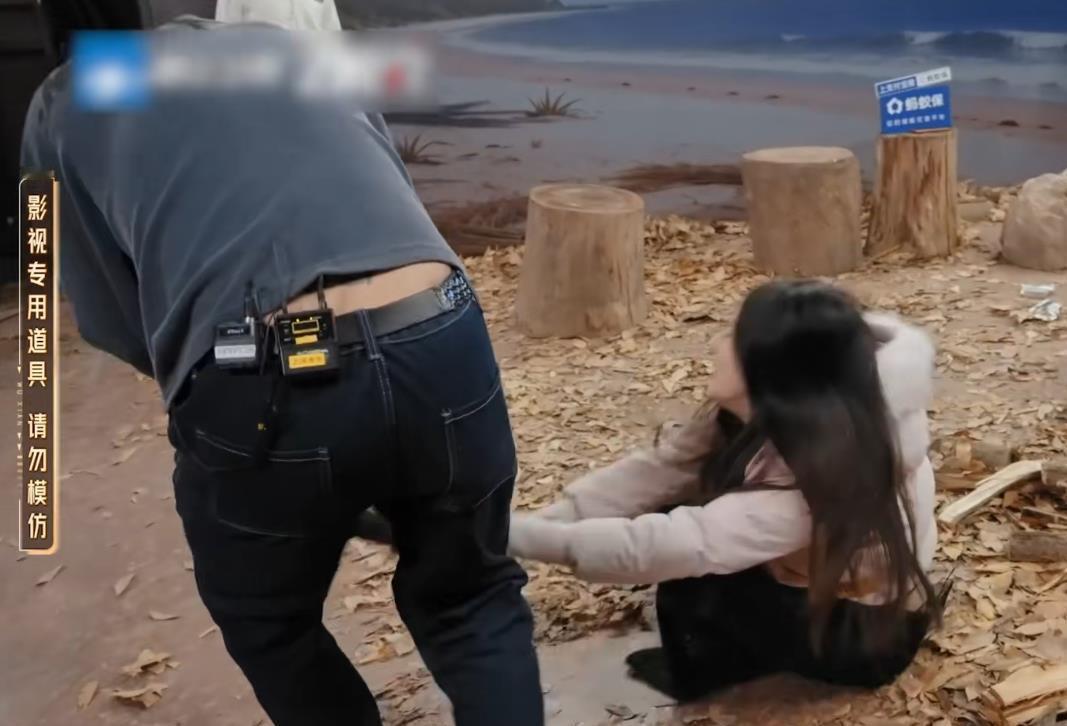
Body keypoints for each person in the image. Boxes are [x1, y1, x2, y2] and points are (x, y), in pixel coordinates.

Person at [21, 4, 543, 725]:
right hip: (439, 324)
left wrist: (208, 395)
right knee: (471, 597)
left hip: (265, 370)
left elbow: (107, 312)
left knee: (269, 621)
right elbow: (384, 188)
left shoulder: (62, 100)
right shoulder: (280, 49)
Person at [507, 280, 942, 702]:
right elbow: (661, 469)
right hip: (831, 591)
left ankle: (715, 671)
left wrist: (520, 539)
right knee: (686, 501)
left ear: (773, 369)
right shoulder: (823, 403)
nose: (717, 343)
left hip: (867, 636)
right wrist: (548, 520)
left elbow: (666, 545)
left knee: (691, 580)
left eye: (735, 338)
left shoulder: (819, 483)